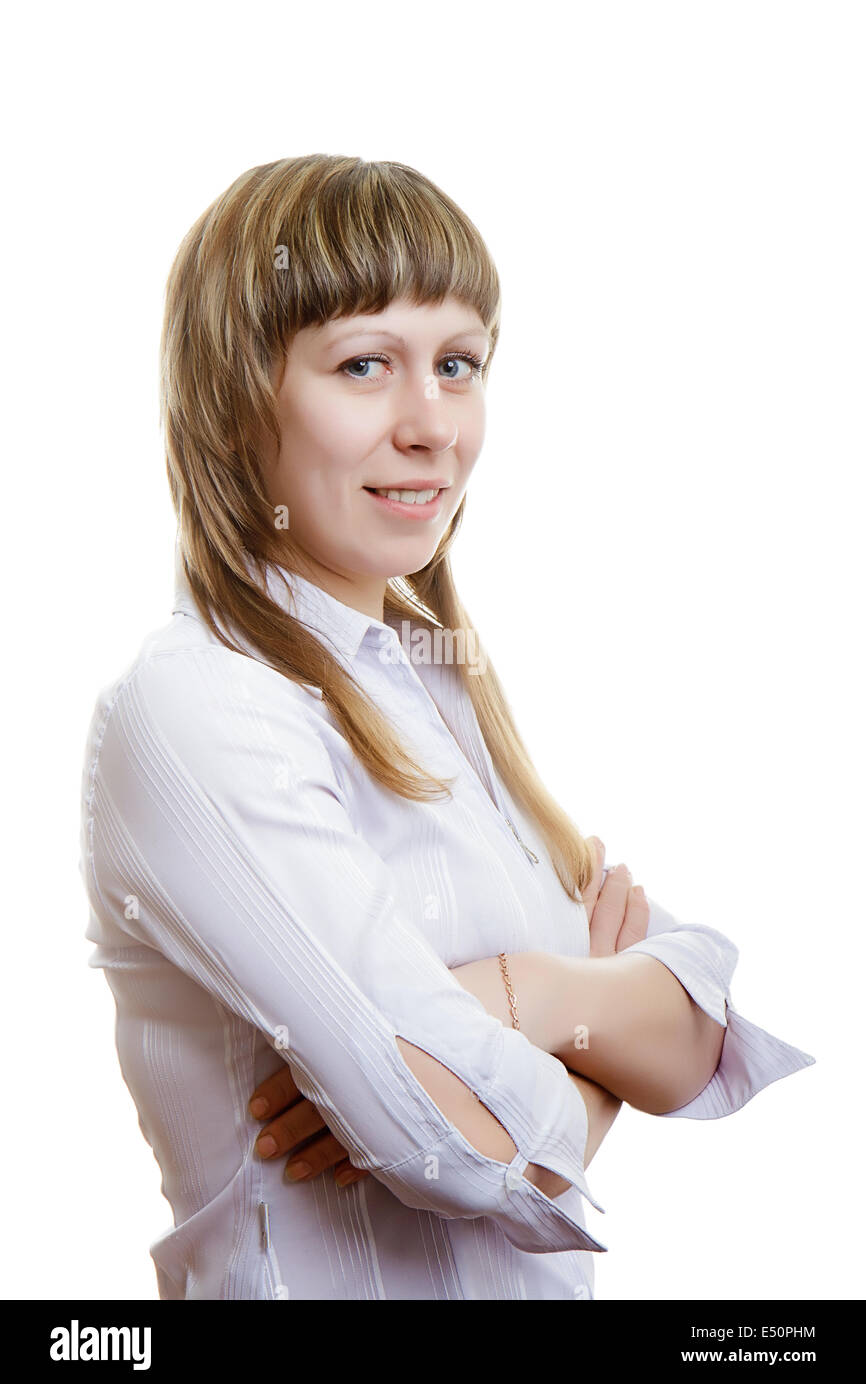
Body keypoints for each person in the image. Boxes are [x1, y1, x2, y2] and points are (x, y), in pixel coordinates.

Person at [79, 154, 815, 1300]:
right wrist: (587, 1017)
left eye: (458, 364)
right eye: (365, 364)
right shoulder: (197, 707)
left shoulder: (436, 684)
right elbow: (458, 1150)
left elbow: (698, 1029)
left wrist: (523, 996)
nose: (431, 426)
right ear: (237, 390)